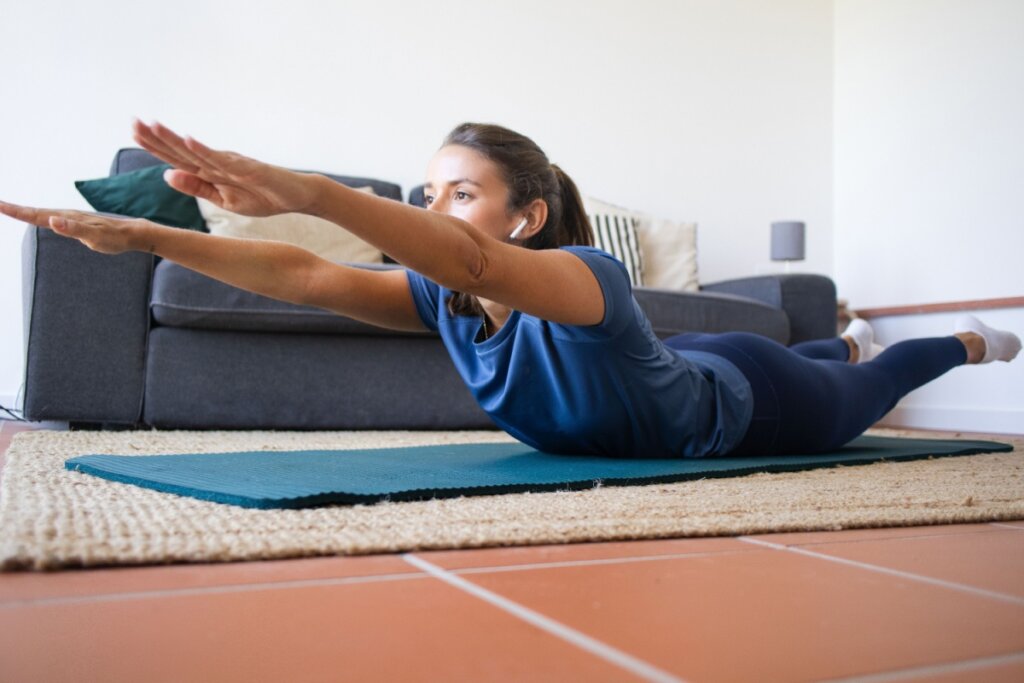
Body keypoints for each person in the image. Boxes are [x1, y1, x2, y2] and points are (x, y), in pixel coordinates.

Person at [1, 121, 1019, 458]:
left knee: (871, 385)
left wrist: (306, 188)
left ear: (523, 214)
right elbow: (307, 273)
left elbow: (477, 265)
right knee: (819, 352)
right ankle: (830, 343)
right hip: (689, 369)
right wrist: (137, 234)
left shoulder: (583, 275)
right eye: (427, 191)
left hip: (749, 404)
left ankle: (967, 343)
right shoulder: (437, 299)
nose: (437, 207)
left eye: (462, 192)